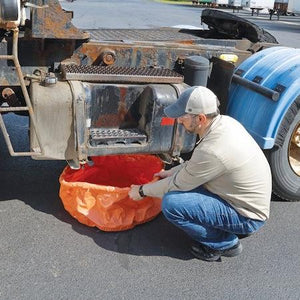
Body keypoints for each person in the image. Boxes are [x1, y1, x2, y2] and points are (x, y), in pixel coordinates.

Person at [129, 86, 272, 262]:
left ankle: (224, 243)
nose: (179, 121)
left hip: (248, 216)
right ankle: (225, 228)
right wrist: (172, 171)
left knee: (172, 204)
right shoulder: (224, 123)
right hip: (242, 199)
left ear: (201, 118)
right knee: (181, 185)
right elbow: (199, 165)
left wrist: (141, 191)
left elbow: (178, 184)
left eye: (183, 117)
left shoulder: (213, 150)